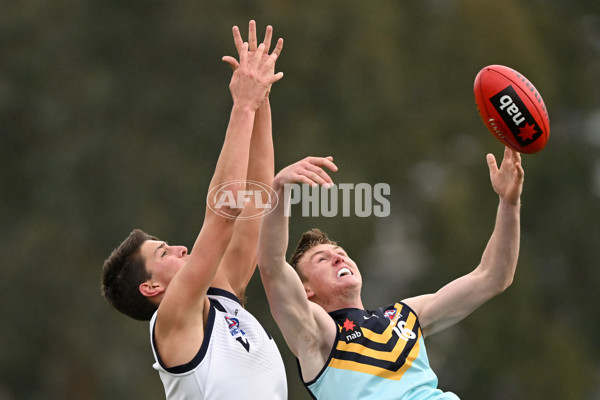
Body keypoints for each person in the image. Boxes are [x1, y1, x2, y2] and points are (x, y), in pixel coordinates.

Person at [101, 21, 287, 399]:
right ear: (151, 287)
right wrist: (243, 105)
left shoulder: (221, 297)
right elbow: (224, 214)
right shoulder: (171, 320)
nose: (180, 248)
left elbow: (253, 200)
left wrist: (261, 98)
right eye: (163, 253)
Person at [257, 148, 524, 399]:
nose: (338, 257)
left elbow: (493, 277)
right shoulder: (318, 333)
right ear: (306, 290)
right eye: (322, 259)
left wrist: (509, 203)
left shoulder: (404, 316)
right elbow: (272, 267)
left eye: (339, 252)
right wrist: (280, 189)